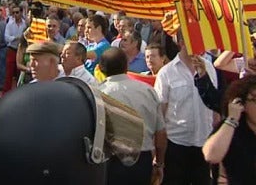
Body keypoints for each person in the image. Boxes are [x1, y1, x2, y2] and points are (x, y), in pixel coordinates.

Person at [154, 30, 218, 185]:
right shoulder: (166, 73)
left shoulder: (209, 67)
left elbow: (214, 104)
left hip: (204, 141)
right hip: (177, 144)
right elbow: (160, 113)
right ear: (181, 42)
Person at [98, 47, 167, 185]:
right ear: (126, 65)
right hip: (142, 160)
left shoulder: (98, 95)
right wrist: (159, 163)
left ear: (100, 68)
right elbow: (161, 134)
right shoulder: (147, 91)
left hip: (110, 162)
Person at [202, 75, 256, 185]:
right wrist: (231, 120)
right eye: (255, 100)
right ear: (242, 104)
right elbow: (211, 155)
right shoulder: (231, 128)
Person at [3, 5, 27, 93]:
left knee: (19, 73)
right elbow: (6, 37)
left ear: (21, 13)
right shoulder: (9, 24)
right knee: (9, 73)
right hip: (12, 49)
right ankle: (5, 93)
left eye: (17, 12)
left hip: (22, 50)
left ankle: (19, 93)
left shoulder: (25, 24)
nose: (15, 14)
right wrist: (15, 38)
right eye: (13, 13)